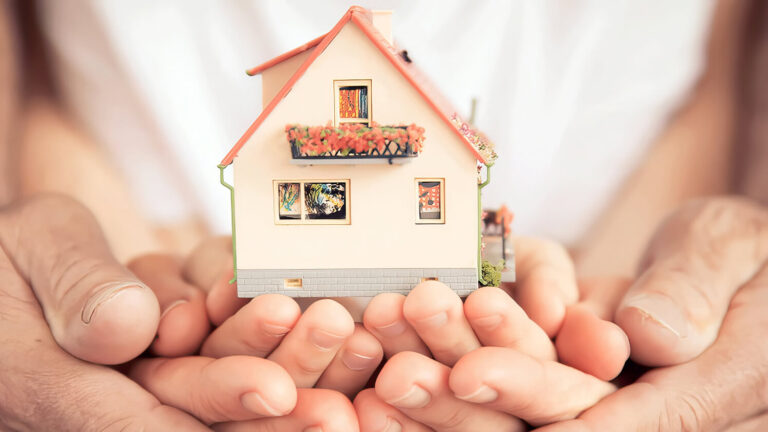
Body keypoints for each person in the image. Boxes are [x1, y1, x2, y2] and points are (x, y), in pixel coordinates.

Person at [2, 0, 768, 431]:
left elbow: (720, 67)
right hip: (154, 260)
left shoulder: (426, 152)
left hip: (600, 275)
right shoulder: (323, 126)